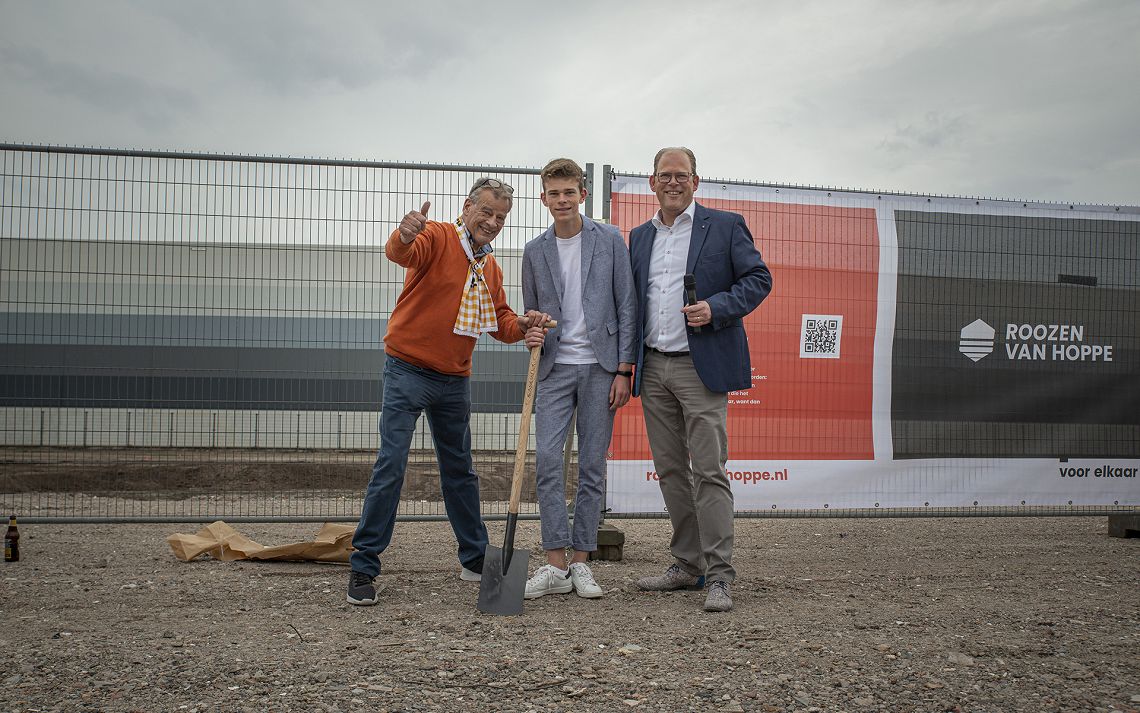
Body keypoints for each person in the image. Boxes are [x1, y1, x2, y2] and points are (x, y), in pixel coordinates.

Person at [348, 177, 547, 606]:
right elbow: (401, 253)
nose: (493, 223)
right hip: (407, 371)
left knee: (460, 471)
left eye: (501, 217)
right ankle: (364, 565)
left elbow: (502, 321)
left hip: (454, 380)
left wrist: (526, 325)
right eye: (487, 212)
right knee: (391, 465)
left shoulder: (489, 267)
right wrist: (403, 234)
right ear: (467, 206)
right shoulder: (436, 235)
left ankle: (475, 560)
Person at [629, 147, 772, 612]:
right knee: (671, 472)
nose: (673, 182)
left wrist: (717, 308)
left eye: (681, 175)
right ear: (652, 183)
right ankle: (687, 565)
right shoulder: (638, 237)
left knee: (709, 472)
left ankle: (720, 576)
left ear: (696, 180)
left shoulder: (725, 225)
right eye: (665, 176)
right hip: (653, 367)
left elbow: (758, 279)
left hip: (700, 365)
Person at [518, 158, 637, 600]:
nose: (562, 200)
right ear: (543, 197)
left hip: (601, 367)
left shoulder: (608, 239)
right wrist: (531, 327)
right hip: (553, 368)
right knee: (548, 461)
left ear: (582, 195)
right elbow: (532, 312)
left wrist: (625, 368)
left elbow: (627, 304)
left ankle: (582, 561)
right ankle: (554, 564)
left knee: (591, 464)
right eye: (554, 193)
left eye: (569, 192)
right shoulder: (535, 250)